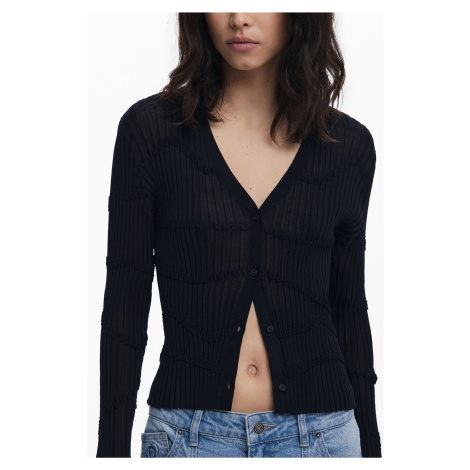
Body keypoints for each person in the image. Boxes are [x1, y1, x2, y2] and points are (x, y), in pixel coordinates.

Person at [96, 12, 381, 458]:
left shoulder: (347, 147)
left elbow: (349, 310)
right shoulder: (151, 132)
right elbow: (124, 308)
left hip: (323, 439)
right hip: (187, 439)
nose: (239, 18)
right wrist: (109, 455)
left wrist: (373, 455)